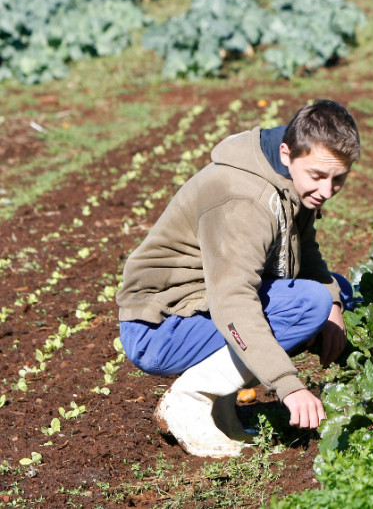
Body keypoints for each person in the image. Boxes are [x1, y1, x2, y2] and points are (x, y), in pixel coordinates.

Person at [116, 99, 360, 457]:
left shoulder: (290, 180)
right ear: (286, 152)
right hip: (160, 329)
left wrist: (335, 304)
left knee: (336, 292)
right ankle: (189, 401)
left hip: (199, 309)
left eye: (338, 179)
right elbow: (232, 301)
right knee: (310, 304)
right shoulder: (244, 200)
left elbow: (305, 253)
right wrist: (287, 384)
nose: (326, 190)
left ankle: (222, 405)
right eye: (318, 176)